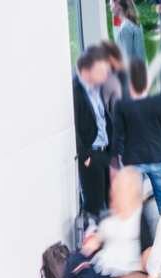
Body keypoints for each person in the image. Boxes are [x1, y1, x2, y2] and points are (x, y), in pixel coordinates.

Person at [110, 59, 161, 213]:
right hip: (159, 156)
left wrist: (116, 162)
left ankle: (141, 235)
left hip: (133, 160)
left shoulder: (121, 104)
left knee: (135, 207)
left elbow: (118, 137)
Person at [72, 48, 114, 216]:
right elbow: (73, 127)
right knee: (95, 207)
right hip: (91, 156)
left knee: (110, 203)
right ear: (86, 70)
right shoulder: (75, 91)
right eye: (101, 70)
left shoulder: (98, 89)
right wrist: (85, 156)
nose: (105, 74)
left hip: (105, 153)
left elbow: (105, 119)